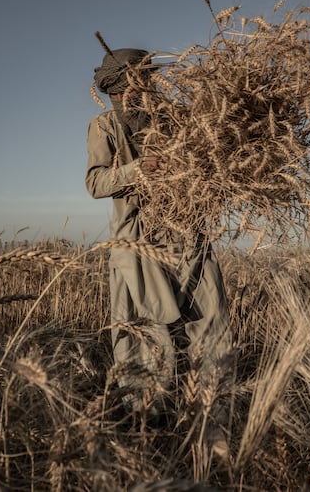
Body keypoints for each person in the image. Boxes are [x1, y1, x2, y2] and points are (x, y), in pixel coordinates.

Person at [85, 48, 232, 433]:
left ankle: (210, 417)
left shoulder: (175, 120)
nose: (136, 93)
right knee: (144, 333)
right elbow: (95, 183)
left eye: (143, 83)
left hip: (188, 236)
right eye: (127, 88)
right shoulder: (104, 126)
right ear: (116, 91)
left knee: (210, 322)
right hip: (138, 245)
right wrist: (137, 169)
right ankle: (146, 421)